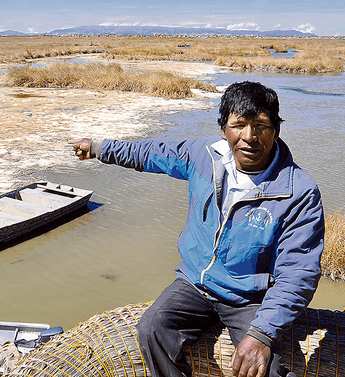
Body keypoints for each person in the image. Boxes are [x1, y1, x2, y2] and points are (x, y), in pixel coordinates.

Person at [68, 81, 324, 377]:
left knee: (269, 370)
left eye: (261, 125)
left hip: (249, 297)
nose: (249, 137)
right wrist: (100, 148)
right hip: (195, 283)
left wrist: (261, 334)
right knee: (152, 328)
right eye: (238, 125)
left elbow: (298, 273)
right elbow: (152, 153)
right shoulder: (204, 156)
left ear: (276, 129)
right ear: (223, 129)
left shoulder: (299, 192)